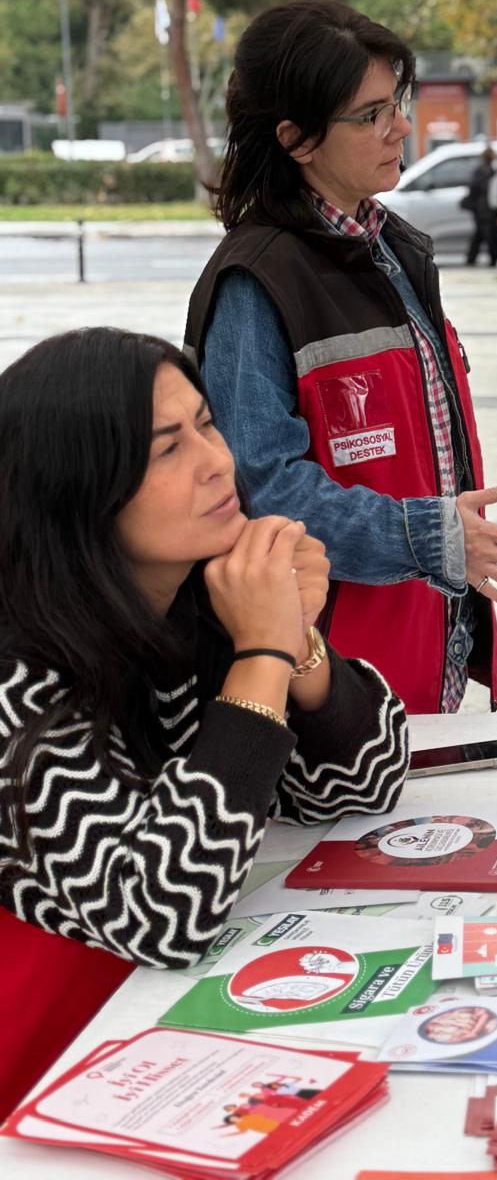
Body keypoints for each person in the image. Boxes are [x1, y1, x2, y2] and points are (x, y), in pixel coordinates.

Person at [0, 327, 412, 1118]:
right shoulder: (21, 676)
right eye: (166, 450)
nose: (217, 461)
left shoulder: (188, 605)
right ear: (79, 488)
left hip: (151, 1033)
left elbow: (360, 786)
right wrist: (262, 649)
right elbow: (161, 912)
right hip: (44, 1073)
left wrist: (298, 640)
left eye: (207, 423)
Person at [185, 0, 497, 715]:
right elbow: (261, 493)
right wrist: (427, 536)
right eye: (373, 113)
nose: (402, 128)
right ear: (296, 138)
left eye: (400, 103)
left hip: (419, 651)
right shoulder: (256, 283)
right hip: (327, 681)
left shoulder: (393, 249)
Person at [463, 149, 497, 267]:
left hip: (481, 207)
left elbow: (473, 188)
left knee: (480, 234)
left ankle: (472, 258)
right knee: (488, 234)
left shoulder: (481, 170)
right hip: (486, 207)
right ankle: (493, 258)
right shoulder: (491, 171)